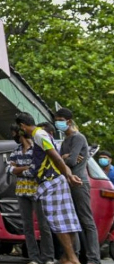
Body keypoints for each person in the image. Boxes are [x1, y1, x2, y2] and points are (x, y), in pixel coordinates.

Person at [15, 112, 82, 264]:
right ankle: (68, 257)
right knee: (66, 220)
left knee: (58, 222)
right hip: (56, 180)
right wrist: (68, 174)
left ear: (22, 126)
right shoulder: (42, 134)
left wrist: (69, 174)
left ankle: (71, 258)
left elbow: (55, 157)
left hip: (51, 181)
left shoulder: (39, 135)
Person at [57, 108, 101, 264]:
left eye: (61, 119)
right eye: (57, 120)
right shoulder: (65, 142)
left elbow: (70, 161)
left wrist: (64, 158)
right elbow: (65, 161)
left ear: (68, 121)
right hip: (68, 183)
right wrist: (64, 157)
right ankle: (75, 256)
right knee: (72, 222)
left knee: (86, 221)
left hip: (80, 183)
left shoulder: (78, 138)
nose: (58, 123)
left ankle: (93, 259)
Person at [8, 123, 55, 264]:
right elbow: (9, 169)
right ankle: (34, 258)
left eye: (13, 133)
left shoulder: (36, 148)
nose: (13, 136)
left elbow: (35, 168)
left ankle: (48, 257)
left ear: (20, 132)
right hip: (21, 191)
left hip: (38, 191)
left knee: (43, 225)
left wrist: (19, 169)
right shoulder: (15, 150)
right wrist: (26, 168)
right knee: (27, 226)